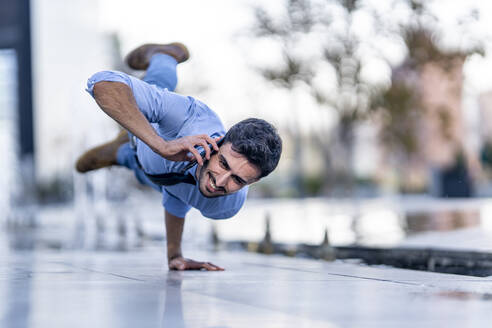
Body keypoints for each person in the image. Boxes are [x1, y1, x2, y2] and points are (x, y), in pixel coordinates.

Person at [75, 42, 282, 271]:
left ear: (253, 182)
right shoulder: (188, 118)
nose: (220, 182)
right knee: (157, 87)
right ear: (219, 143)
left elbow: (179, 195)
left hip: (148, 170)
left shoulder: (226, 205)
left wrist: (175, 255)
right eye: (223, 163)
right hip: (150, 134)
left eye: (238, 180)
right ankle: (166, 56)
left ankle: (120, 151)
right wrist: (162, 145)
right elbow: (102, 83)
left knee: (140, 171)